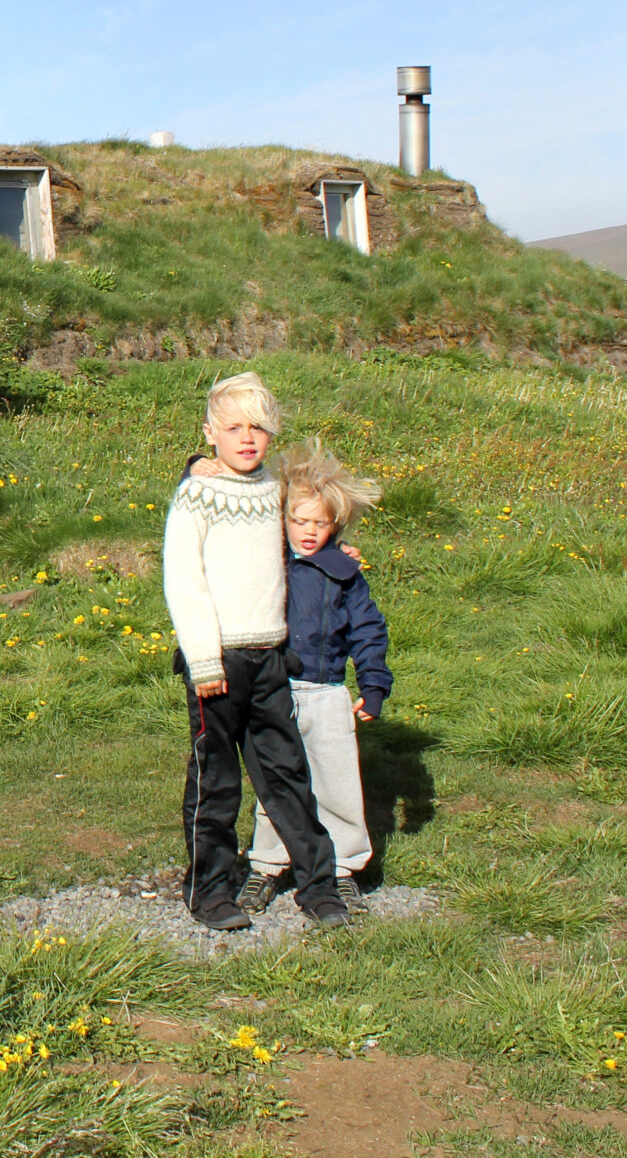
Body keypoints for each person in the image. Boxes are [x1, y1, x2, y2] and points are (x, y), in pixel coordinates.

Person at [162, 372, 348, 931]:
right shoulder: (197, 493)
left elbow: (304, 529)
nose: (247, 438)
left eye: (259, 428)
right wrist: (202, 660)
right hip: (216, 662)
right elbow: (183, 578)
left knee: (287, 773)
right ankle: (210, 890)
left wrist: (337, 551)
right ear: (211, 434)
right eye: (234, 428)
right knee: (216, 779)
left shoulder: (272, 489)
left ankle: (319, 884)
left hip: (270, 657)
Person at [238, 441, 389, 914]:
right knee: (276, 783)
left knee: (337, 782)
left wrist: (374, 684)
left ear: (336, 525)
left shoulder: (344, 572)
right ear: (282, 520)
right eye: (299, 521)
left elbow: (368, 629)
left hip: (327, 693)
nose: (309, 531)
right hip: (274, 691)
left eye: (320, 523)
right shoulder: (268, 562)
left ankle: (342, 871)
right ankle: (266, 866)